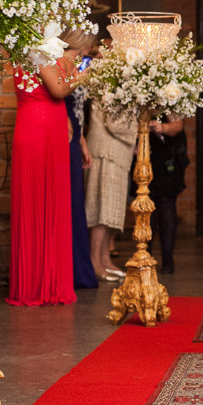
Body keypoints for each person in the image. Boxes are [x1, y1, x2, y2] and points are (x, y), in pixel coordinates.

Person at [8, 54, 80, 306]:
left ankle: (46, 279)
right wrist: (84, 74)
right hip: (39, 129)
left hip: (46, 125)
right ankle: (37, 285)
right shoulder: (37, 52)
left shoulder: (42, 51)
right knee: (37, 203)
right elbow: (59, 89)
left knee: (48, 204)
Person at [83, 100, 136, 281]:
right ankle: (94, 261)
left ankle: (104, 258)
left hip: (119, 152)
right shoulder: (109, 76)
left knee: (112, 210)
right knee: (101, 210)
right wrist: (140, 127)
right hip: (105, 150)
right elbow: (114, 121)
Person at [60, 31, 96, 290]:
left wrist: (82, 140)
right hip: (65, 131)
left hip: (75, 133)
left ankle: (79, 268)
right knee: (69, 200)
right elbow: (60, 97)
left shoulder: (77, 62)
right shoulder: (63, 61)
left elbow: (77, 108)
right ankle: (71, 269)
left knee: (76, 199)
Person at [144, 116, 187, 274]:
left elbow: (178, 125)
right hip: (145, 152)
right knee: (146, 208)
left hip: (168, 155)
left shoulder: (171, 95)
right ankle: (145, 257)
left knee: (166, 204)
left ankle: (167, 260)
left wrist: (161, 127)